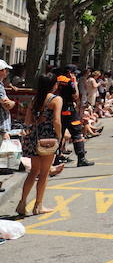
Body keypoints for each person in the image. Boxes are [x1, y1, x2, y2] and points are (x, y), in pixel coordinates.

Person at [17, 73, 63, 216]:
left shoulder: (35, 99)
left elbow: (27, 122)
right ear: (53, 85)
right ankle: (38, 205)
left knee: (33, 172)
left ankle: (22, 203)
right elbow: (56, 121)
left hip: (33, 137)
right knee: (44, 173)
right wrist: (59, 136)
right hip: (47, 139)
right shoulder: (56, 99)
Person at [57, 68, 93, 166]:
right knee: (77, 133)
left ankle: (56, 157)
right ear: (69, 73)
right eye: (74, 73)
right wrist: (75, 83)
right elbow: (76, 96)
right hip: (69, 111)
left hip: (57, 110)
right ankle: (81, 158)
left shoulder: (56, 79)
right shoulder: (69, 82)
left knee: (58, 134)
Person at [0, 60, 14, 143]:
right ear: (2, 71)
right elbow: (7, 104)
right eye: (7, 70)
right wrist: (13, 103)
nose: (8, 72)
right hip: (1, 127)